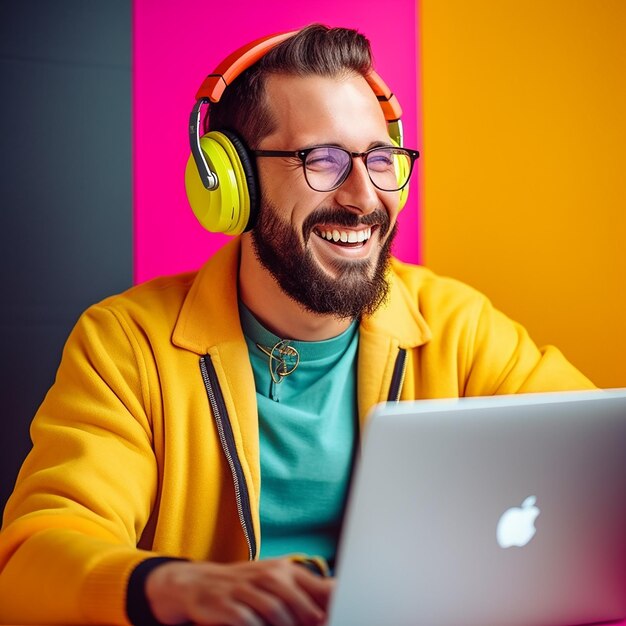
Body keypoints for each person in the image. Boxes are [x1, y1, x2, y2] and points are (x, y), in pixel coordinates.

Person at [0, 24, 594, 626]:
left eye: (381, 158)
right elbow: (30, 562)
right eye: (324, 159)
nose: (365, 197)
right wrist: (173, 587)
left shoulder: (457, 327)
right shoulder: (127, 345)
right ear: (233, 184)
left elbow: (599, 459)